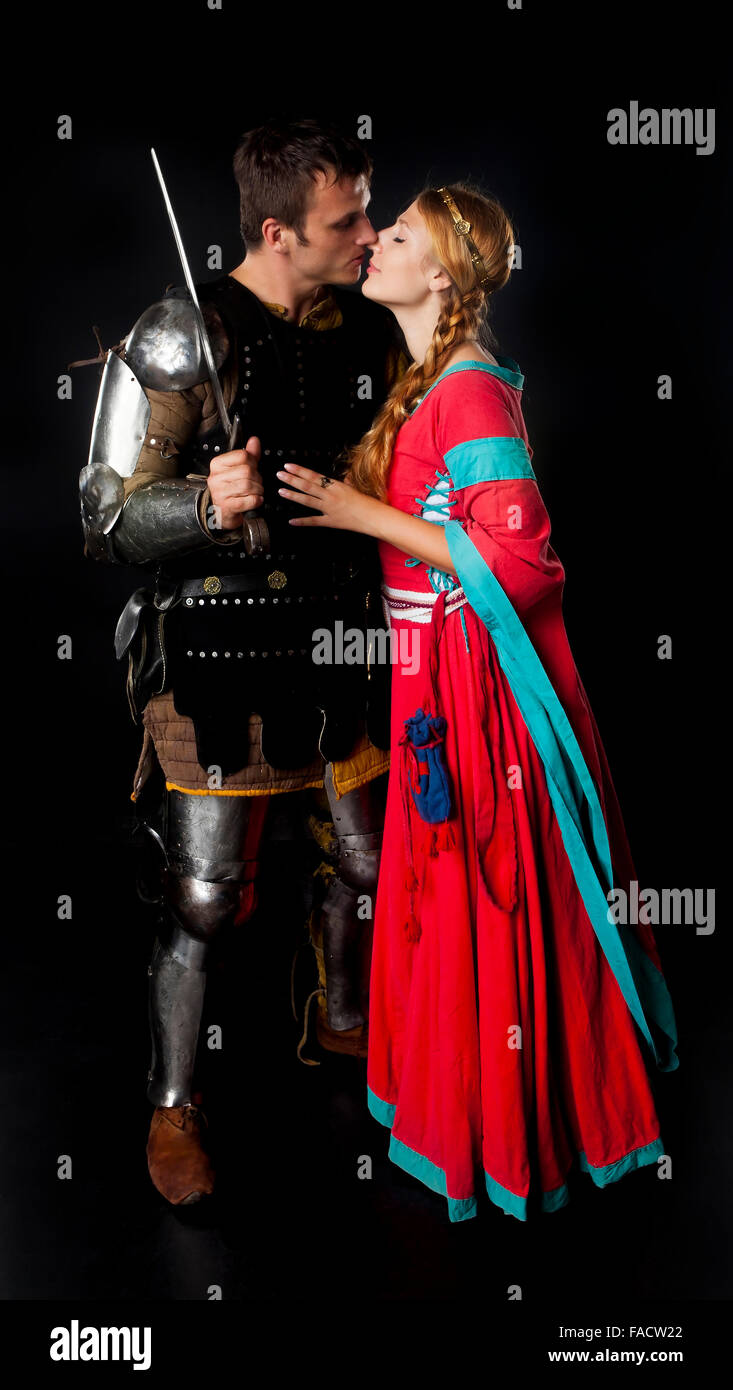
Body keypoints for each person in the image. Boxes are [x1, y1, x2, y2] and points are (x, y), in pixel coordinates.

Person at [274, 182, 679, 1222]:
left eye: (397, 233)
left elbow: (526, 564)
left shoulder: (468, 389)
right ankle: (463, 1108)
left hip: (474, 693)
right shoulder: (425, 379)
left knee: (485, 893)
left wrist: (361, 511)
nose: (376, 243)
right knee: (441, 898)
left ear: (441, 273)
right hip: (427, 674)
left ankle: (512, 1133)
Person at [78, 119, 407, 1206]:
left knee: (366, 864)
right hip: (214, 650)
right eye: (345, 220)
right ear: (277, 232)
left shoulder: (372, 331)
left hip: (345, 639)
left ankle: (344, 1020)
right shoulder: (185, 334)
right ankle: (173, 1102)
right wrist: (200, 506)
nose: (369, 233)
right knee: (210, 897)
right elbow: (104, 514)